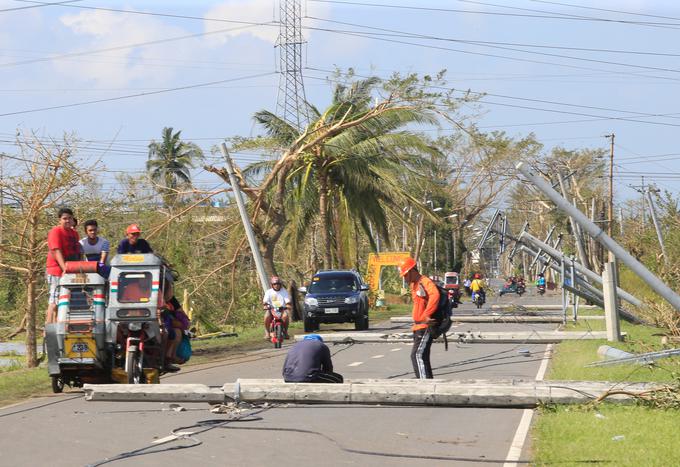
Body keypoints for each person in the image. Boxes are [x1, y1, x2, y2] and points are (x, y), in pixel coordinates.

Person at [399, 257, 439, 379]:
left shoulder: (425, 282)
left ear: (412, 270)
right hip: (418, 326)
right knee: (423, 357)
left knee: (416, 355)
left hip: (425, 326)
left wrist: (427, 314)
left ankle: (424, 387)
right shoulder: (414, 285)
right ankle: (430, 386)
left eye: (405, 275)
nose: (405, 278)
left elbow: (435, 295)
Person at [45, 208, 82, 324]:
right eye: (64, 218)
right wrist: (64, 268)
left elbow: (77, 253)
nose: (67, 221)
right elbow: (56, 251)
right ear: (59, 220)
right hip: (56, 270)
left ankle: (58, 327)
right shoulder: (55, 231)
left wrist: (78, 268)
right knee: (54, 300)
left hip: (71, 271)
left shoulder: (75, 234)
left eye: (69, 218)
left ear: (72, 219)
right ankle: (49, 328)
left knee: (66, 301)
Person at [263, 275, 291, 340]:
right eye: (274, 284)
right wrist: (265, 305)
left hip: (282, 309)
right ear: (272, 285)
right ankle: (267, 332)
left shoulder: (284, 291)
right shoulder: (268, 292)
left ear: (280, 284)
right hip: (271, 309)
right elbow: (265, 300)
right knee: (266, 316)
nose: (276, 285)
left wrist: (288, 305)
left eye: (278, 284)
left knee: (286, 316)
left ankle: (285, 332)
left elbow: (287, 300)